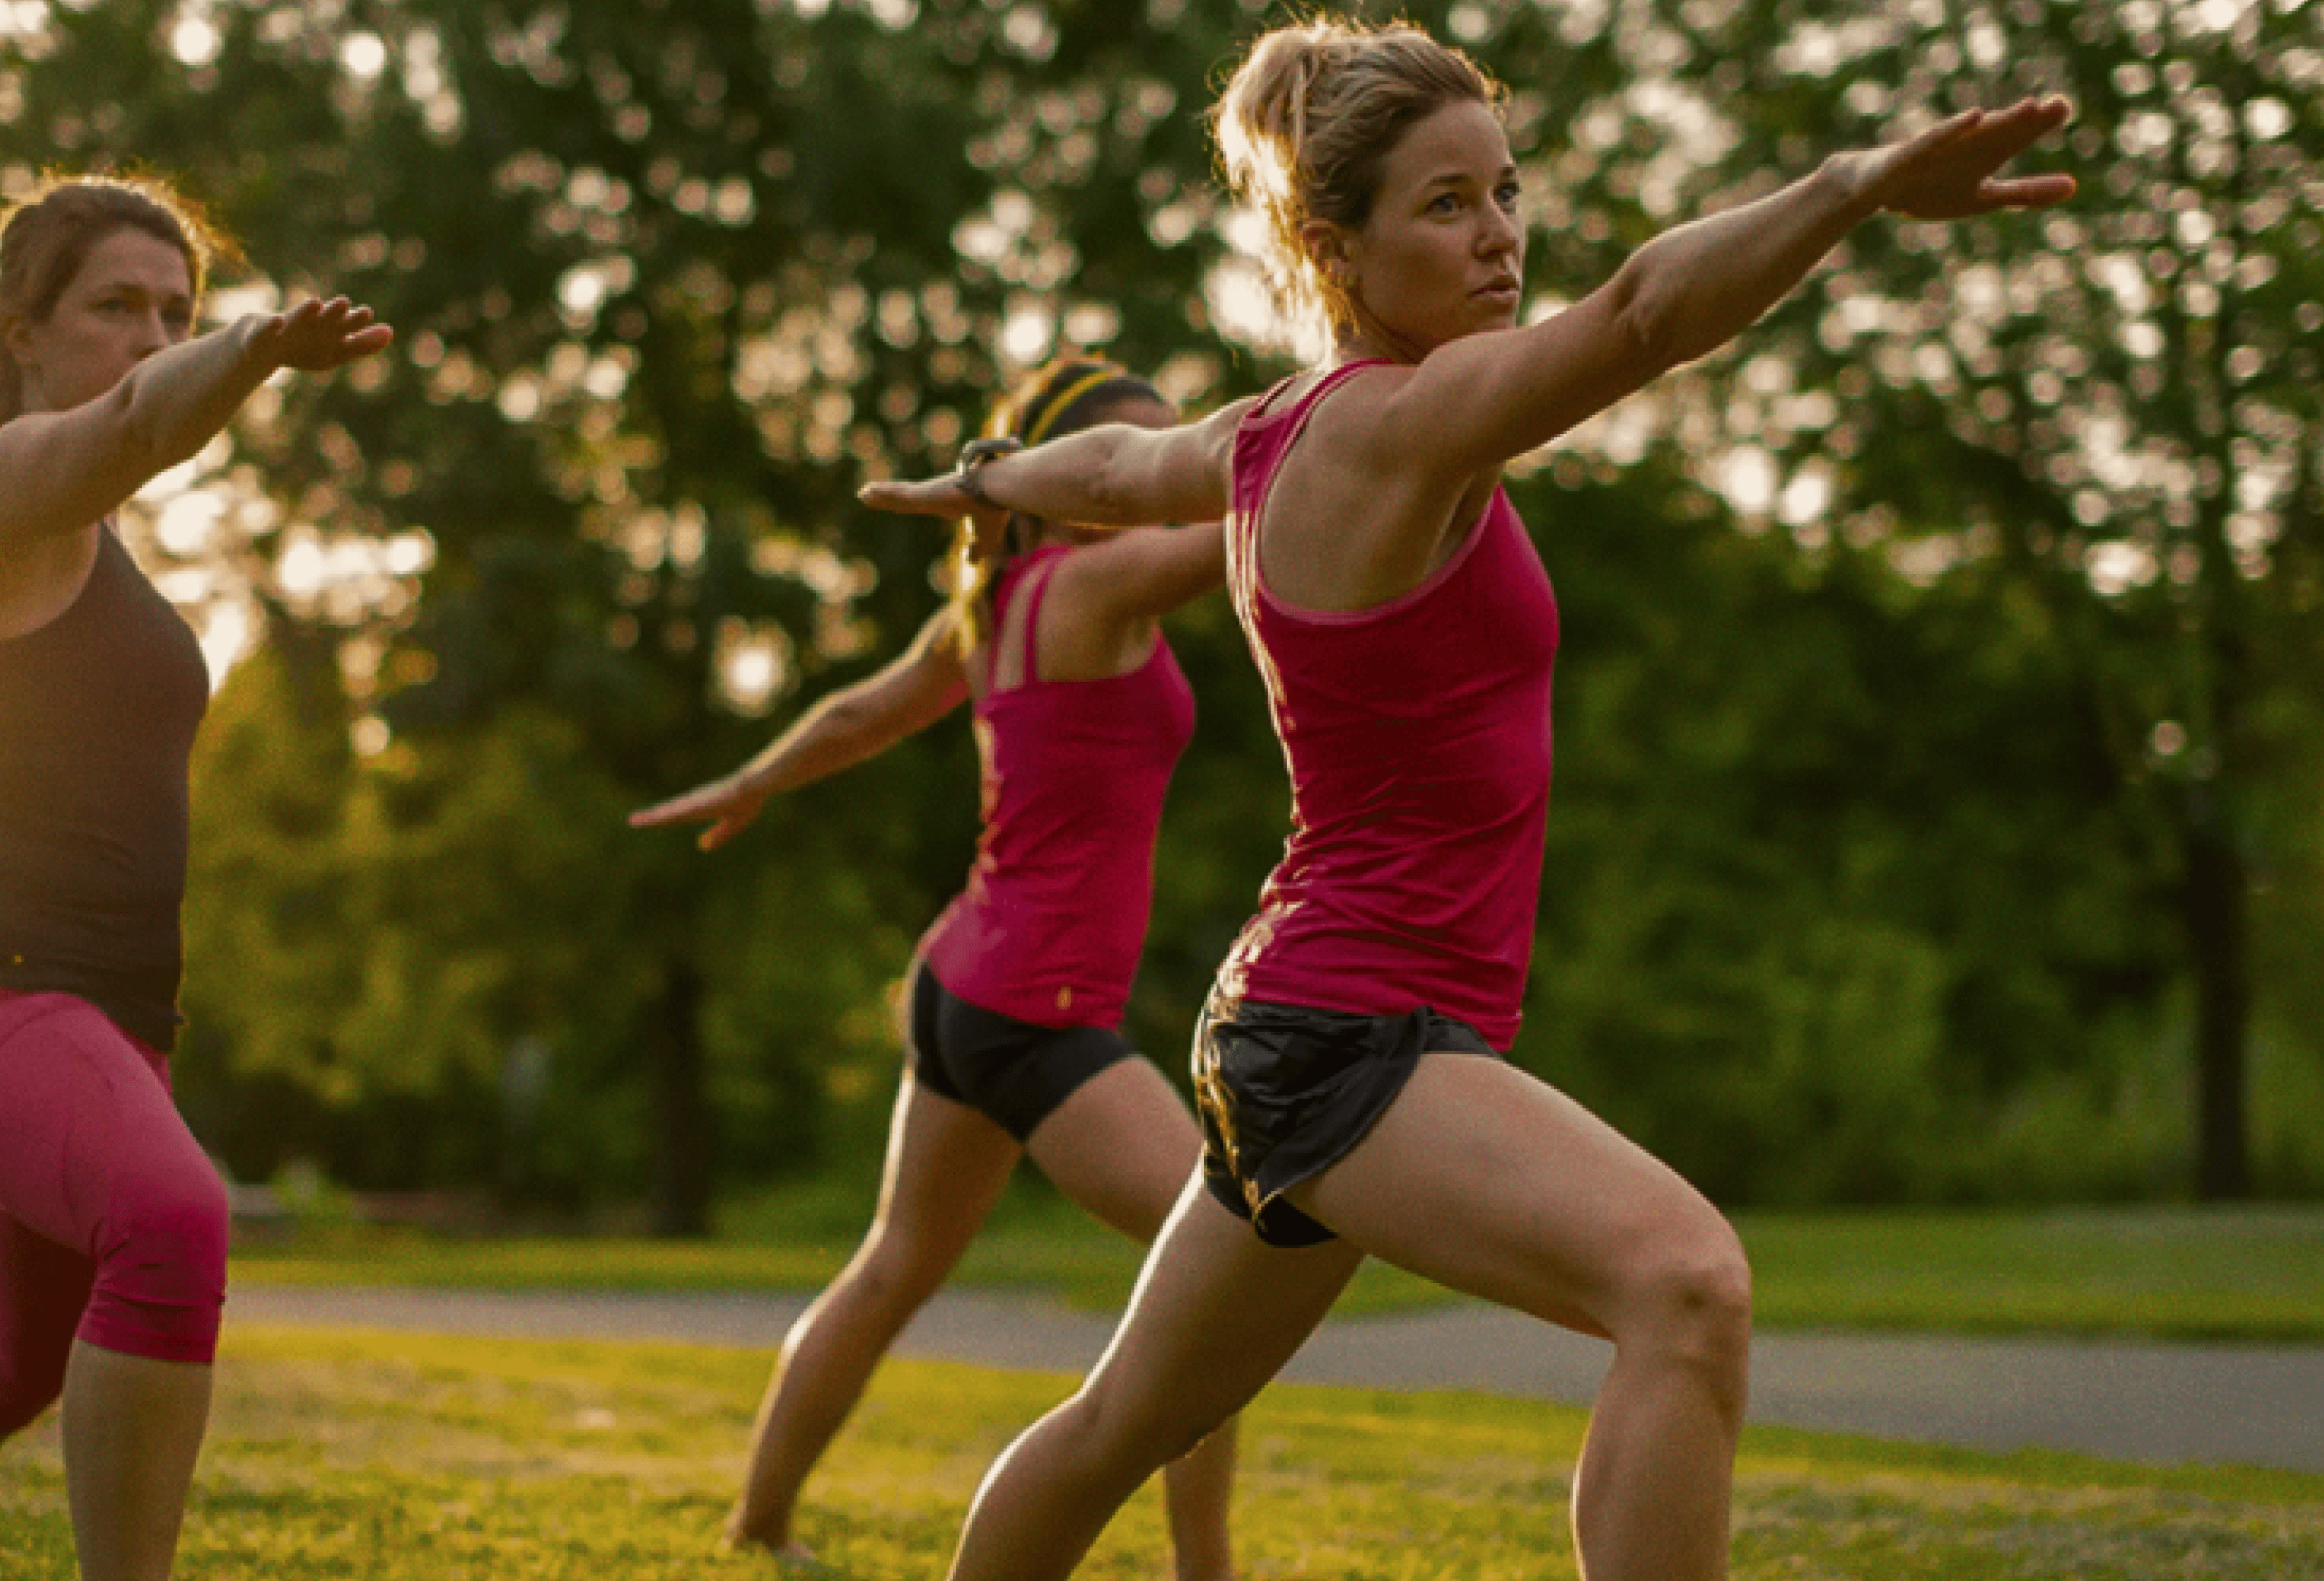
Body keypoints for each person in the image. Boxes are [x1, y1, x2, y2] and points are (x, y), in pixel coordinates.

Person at [859, 18, 2074, 1581]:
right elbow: (1639, 315)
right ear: (1333, 244)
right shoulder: (1389, 422)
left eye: (1505, 190)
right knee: (1684, 1285)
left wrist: (985, 481)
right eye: (1444, 205)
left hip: (1301, 1022)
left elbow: (1104, 476)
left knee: (1118, 1424)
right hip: (1355, 1033)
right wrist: (1850, 184)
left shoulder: (1266, 433)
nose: (1498, 235)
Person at [632, 357, 1239, 1579]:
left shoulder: (993, 605)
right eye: (1127, 459)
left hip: (962, 982)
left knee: (894, 1266)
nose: (1154, 480)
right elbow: (1260, 508)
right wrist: (1401, 424)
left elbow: (865, 712)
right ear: (1059, 477)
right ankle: (1205, 1572)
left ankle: (757, 1521)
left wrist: (756, 779)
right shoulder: (1103, 579)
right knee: (1223, 1258)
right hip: (1035, 1011)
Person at [0, 173, 391, 1581]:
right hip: (2, 994)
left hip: (113, 1018)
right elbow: (137, 422)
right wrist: (254, 347)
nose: (151, 335)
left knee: (22, 1361)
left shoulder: (104, 542)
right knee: (171, 1221)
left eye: (178, 309)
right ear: (19, 329)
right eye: (117, 307)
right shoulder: (4, 493)